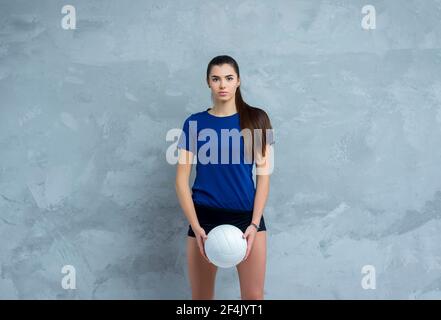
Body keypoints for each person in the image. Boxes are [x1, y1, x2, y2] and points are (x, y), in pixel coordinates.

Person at [175, 55, 275, 300]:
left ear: (238, 81)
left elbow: (264, 177)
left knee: (253, 298)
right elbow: (181, 180)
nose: (223, 85)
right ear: (208, 82)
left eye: (229, 78)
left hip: (246, 218)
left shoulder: (257, 119)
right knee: (201, 300)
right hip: (204, 219)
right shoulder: (195, 123)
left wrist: (254, 223)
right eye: (216, 79)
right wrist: (196, 226)